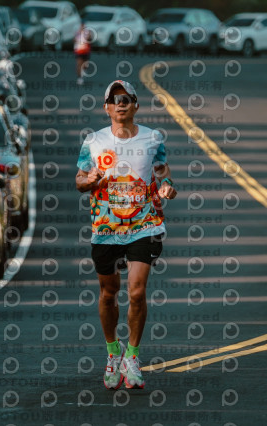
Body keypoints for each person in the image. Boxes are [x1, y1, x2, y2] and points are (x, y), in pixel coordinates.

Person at [75, 80, 177, 390]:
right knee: (109, 293)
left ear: (135, 105)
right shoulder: (93, 141)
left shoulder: (152, 138)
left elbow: (162, 171)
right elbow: (79, 179)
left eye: (126, 99)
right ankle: (113, 351)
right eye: (114, 99)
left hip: (144, 225)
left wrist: (167, 186)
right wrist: (90, 179)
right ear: (106, 107)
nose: (120, 104)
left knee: (136, 291)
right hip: (106, 228)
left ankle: (132, 355)